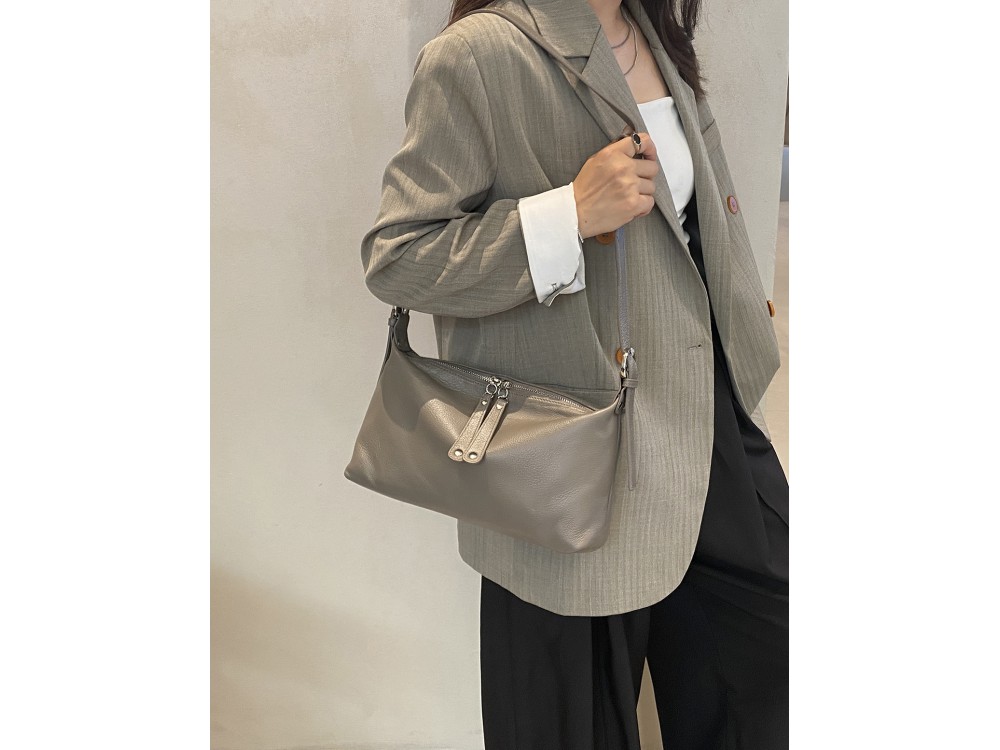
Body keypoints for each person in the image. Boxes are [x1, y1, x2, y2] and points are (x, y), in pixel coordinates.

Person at [359, 0, 788, 746]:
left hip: (705, 427)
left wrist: (741, 317)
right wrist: (568, 216)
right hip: (569, 460)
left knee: (761, 677)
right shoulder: (477, 55)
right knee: (569, 724)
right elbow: (399, 259)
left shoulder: (654, 34)